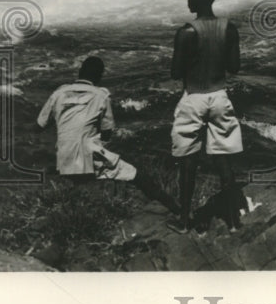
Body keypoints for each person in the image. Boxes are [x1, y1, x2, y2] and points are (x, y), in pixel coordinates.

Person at [37, 55, 177, 212]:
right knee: (138, 175)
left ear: (80, 72)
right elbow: (107, 133)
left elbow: (40, 124)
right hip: (86, 158)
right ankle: (176, 210)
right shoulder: (101, 96)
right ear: (99, 76)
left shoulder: (59, 93)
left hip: (63, 157)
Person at [167, 0, 245, 234]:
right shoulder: (229, 29)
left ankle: (184, 221)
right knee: (224, 161)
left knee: (188, 161)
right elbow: (234, 67)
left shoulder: (186, 32)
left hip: (194, 97)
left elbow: (176, 73)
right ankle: (234, 222)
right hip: (220, 95)